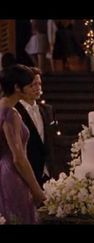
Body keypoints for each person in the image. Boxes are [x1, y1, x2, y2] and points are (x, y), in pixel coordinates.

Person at [0, 64, 45, 224]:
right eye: (30, 84)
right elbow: (18, 158)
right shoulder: (10, 114)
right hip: (13, 176)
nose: (35, 88)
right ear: (17, 87)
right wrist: (37, 190)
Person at [15, 67, 59, 187]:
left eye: (39, 84)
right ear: (20, 88)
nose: (38, 88)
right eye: (32, 85)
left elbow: (52, 141)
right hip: (26, 175)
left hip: (49, 173)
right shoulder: (14, 112)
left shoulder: (47, 110)